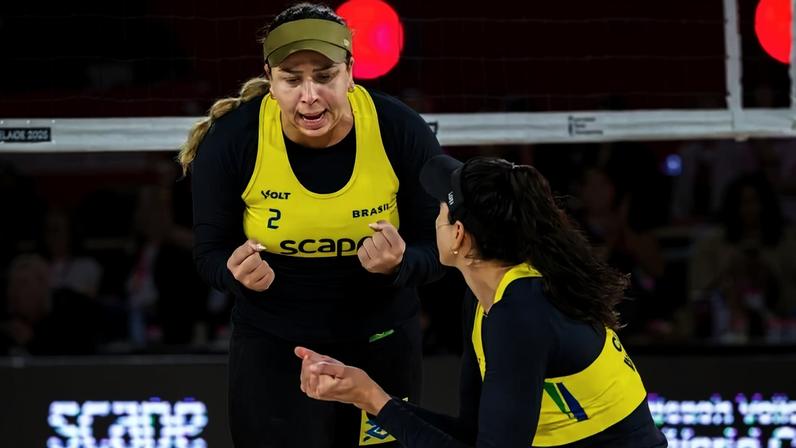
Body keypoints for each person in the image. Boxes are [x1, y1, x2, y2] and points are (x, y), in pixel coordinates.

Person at [177, 3, 443, 447]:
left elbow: (442, 247)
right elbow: (208, 254)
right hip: (274, 344)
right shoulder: (232, 140)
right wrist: (232, 272)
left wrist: (402, 263)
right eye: (291, 79)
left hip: (380, 339)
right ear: (270, 78)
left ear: (350, 72)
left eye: (324, 76)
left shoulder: (399, 129)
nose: (310, 96)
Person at [295, 155, 668, 447]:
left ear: (458, 234)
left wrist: (374, 399)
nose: (434, 219)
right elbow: (472, 435)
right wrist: (367, 395)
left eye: (440, 211)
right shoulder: (485, 299)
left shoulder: (522, 314)